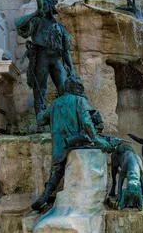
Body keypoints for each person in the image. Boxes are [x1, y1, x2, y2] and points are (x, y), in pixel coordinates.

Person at [31, 75, 111, 210]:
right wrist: (97, 139)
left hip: (59, 144)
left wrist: (42, 108)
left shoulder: (55, 104)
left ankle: (45, 196)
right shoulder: (80, 101)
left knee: (57, 170)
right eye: (79, 86)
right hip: (78, 142)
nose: (81, 88)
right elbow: (86, 121)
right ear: (73, 87)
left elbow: (41, 120)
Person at [16, 0, 75, 118]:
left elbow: (65, 49)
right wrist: (35, 13)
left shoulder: (59, 27)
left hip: (56, 57)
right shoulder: (36, 21)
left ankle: (66, 118)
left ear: (51, 8)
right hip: (41, 55)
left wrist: (71, 67)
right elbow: (18, 25)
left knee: (64, 88)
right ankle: (40, 119)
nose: (44, 7)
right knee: (40, 89)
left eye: (46, 4)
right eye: (43, 4)